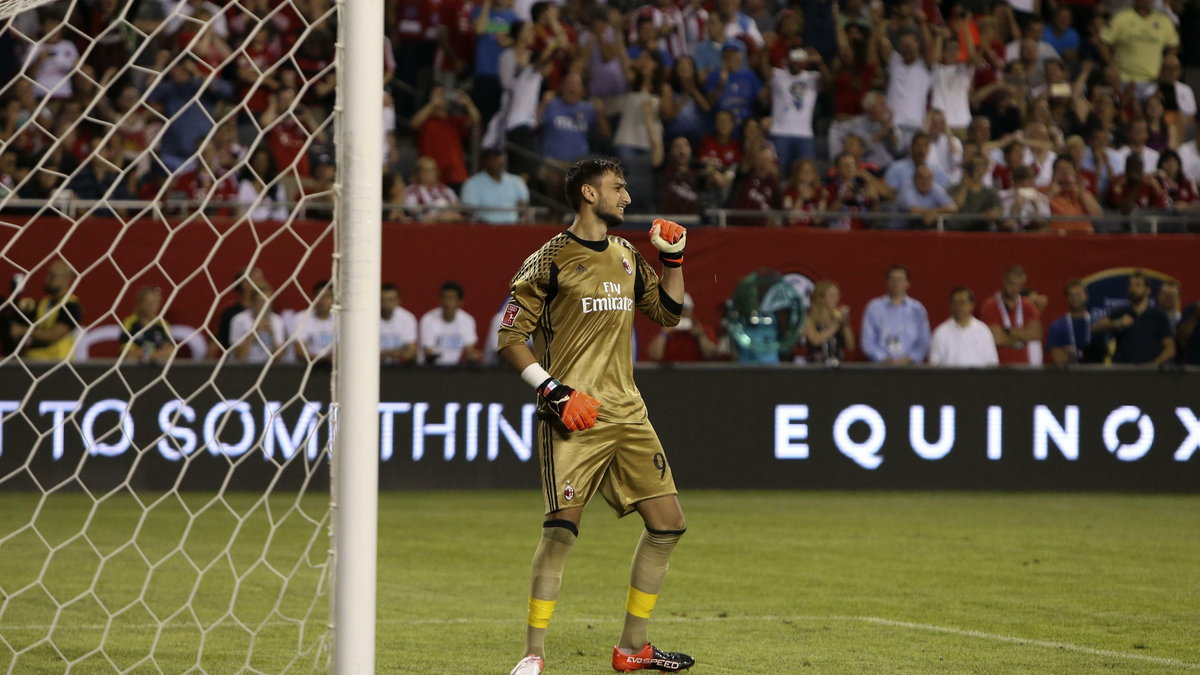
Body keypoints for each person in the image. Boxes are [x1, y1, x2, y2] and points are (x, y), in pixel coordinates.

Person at [498, 158, 693, 675]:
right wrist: (554, 391)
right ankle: (533, 654)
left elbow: (668, 314)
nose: (627, 198)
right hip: (574, 414)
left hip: (627, 411)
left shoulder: (628, 254)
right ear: (589, 193)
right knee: (562, 529)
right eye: (618, 188)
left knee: (668, 525)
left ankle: (633, 647)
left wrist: (672, 259)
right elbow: (510, 338)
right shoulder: (549, 260)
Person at [1093, 271, 1175, 365]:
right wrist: (1115, 324)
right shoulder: (1121, 312)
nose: (1133, 289)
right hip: (1123, 372)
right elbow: (1095, 328)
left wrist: (1154, 364)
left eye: (1138, 285)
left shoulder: (1158, 316)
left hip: (1149, 374)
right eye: (1130, 285)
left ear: (1147, 290)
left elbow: (1170, 349)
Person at [10, 260, 83, 362]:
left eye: (52, 276)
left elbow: (53, 336)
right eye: (48, 275)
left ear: (65, 279)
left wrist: (21, 330)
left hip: (57, 363)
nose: (47, 279)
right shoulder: (44, 303)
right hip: (34, 359)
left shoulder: (71, 306)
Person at [860, 265, 931, 364]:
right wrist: (884, 359)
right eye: (892, 279)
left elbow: (924, 342)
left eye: (900, 279)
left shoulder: (918, 309)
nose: (896, 283)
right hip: (880, 368)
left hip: (911, 368)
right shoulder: (873, 308)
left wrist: (908, 359)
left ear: (908, 283)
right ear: (887, 282)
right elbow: (867, 343)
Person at [1099, 0, 1179, 85]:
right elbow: (1104, 42)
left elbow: (1173, 45)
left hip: (1154, 80)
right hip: (1124, 79)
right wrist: (1111, 66)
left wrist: (1167, 63)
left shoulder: (1163, 21)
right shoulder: (1121, 17)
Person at [979, 265, 1043, 366]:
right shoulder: (990, 305)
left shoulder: (1028, 306)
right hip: (999, 367)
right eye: (1011, 284)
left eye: (1019, 286)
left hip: (1024, 367)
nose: (1015, 289)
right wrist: (1024, 335)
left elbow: (1036, 334)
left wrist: (1007, 331)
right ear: (1003, 281)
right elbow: (996, 339)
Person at [929, 287, 1000, 367]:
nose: (958, 306)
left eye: (962, 302)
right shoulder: (941, 332)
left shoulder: (983, 330)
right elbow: (934, 365)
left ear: (971, 305)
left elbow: (992, 363)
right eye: (955, 303)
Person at [419, 280, 482, 366]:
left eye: (451, 298)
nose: (447, 303)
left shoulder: (467, 321)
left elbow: (469, 349)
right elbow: (428, 350)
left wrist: (473, 356)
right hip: (432, 369)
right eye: (445, 298)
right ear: (440, 300)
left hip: (457, 371)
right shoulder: (428, 319)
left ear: (460, 302)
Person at [461, 149, 531, 224]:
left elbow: (524, 207)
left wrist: (522, 221)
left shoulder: (517, 181)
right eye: (490, 158)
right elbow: (469, 213)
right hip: (483, 229)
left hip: (513, 227)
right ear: (484, 161)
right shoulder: (472, 183)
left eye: (498, 157)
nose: (495, 161)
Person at [1046, 279, 1107, 365]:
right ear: (1066, 298)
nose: (1075, 298)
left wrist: (1076, 354)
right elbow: (1058, 360)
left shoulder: (1098, 324)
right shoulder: (1057, 327)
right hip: (1068, 376)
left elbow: (1104, 355)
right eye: (1071, 295)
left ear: (1086, 296)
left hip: (1095, 375)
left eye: (1078, 294)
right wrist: (1071, 357)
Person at [647, 293, 719, 362]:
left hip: (696, 372)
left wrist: (701, 336)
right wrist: (663, 335)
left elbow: (711, 355)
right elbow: (655, 356)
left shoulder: (702, 329)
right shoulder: (665, 330)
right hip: (671, 373)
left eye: (684, 308)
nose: (680, 312)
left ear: (691, 310)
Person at [229, 282, 286, 364]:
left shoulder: (277, 321)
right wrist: (253, 333)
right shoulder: (239, 320)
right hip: (243, 369)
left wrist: (272, 335)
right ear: (252, 303)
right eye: (261, 302)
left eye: (268, 301)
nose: (265, 305)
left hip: (269, 368)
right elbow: (240, 356)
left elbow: (279, 358)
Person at [803, 280, 855, 364]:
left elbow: (851, 347)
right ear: (821, 298)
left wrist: (845, 324)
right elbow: (815, 340)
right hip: (816, 365)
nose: (836, 298)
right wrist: (835, 326)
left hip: (838, 364)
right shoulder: (810, 318)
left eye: (837, 294)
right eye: (831, 295)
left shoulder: (837, 316)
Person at [120, 286, 174, 363]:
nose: (151, 306)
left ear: (159, 304)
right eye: (147, 302)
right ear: (140, 303)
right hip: (132, 371)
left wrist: (143, 353)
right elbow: (128, 354)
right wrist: (157, 353)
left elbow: (169, 353)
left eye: (154, 302)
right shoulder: (129, 323)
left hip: (158, 370)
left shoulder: (163, 324)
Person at [894, 164, 958, 229]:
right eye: (921, 177)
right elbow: (913, 210)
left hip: (921, 230)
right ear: (914, 178)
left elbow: (953, 208)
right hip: (899, 231)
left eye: (928, 178)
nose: (925, 181)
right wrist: (930, 213)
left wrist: (934, 212)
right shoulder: (907, 189)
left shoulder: (935, 188)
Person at [404, 157, 465, 222]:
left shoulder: (446, 190)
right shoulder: (410, 191)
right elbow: (413, 213)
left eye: (434, 170)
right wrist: (437, 215)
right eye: (428, 170)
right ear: (419, 173)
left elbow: (457, 208)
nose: (432, 173)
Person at [293, 279, 335, 363]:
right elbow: (300, 352)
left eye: (327, 296)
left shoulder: (341, 320)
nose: (323, 300)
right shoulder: (301, 318)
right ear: (313, 298)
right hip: (310, 369)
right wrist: (325, 360)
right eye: (319, 296)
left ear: (334, 299)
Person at [380, 282, 418, 365]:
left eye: (391, 300)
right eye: (383, 300)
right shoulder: (369, 320)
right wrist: (394, 353)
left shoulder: (407, 318)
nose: (387, 304)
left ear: (398, 301)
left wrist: (384, 353)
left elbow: (410, 352)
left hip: (400, 368)